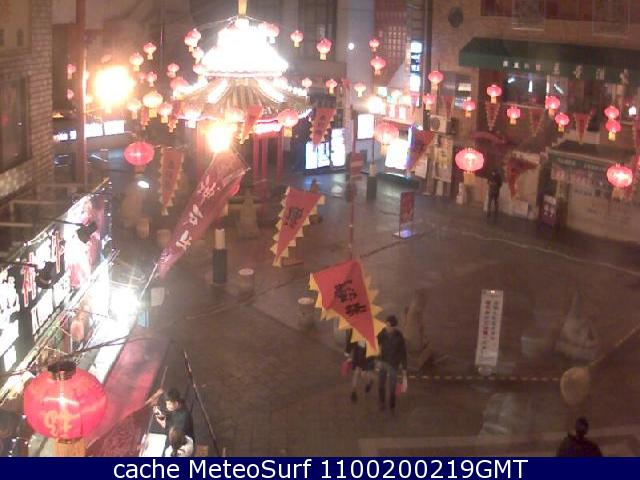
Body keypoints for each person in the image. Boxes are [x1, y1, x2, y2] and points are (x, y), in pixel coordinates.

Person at [377, 315, 407, 411]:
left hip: (394, 364)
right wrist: (378, 359)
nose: (387, 327)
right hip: (384, 362)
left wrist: (404, 368)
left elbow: (403, 353)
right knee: (381, 384)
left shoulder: (399, 336)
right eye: (386, 325)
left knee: (392, 386)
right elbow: (376, 345)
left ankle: (392, 403)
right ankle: (382, 402)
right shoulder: (382, 333)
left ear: (394, 327)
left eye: (389, 326)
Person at [345, 329, 375, 403]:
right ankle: (353, 392)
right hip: (358, 352)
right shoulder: (356, 328)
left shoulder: (372, 329)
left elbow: (375, 343)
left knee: (366, 374)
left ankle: (369, 382)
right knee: (356, 372)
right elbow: (351, 339)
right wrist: (347, 351)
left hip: (368, 354)